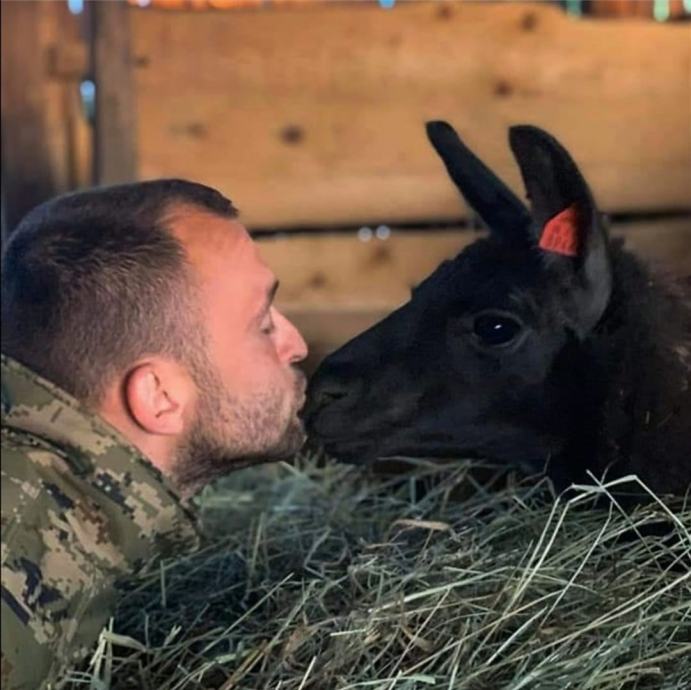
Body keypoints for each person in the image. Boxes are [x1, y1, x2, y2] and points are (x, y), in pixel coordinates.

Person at [0, 180, 308, 689]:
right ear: (160, 396)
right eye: (263, 325)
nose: (296, 344)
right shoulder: (16, 555)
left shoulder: (76, 519)